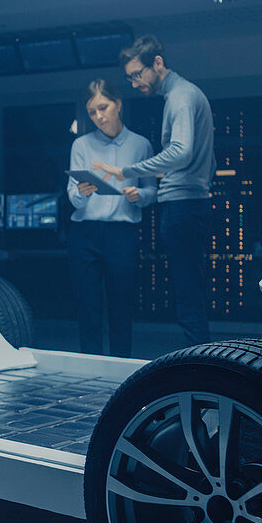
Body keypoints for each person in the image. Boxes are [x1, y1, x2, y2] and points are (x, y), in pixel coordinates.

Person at [92, 34, 216, 346]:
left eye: (137, 74)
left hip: (183, 207)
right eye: (129, 77)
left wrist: (126, 171)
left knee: (187, 294)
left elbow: (181, 152)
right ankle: (199, 365)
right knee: (190, 290)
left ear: (157, 63)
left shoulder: (180, 98)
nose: (134, 83)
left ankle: (198, 370)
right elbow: (208, 161)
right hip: (191, 204)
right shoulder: (185, 95)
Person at [67, 79, 156, 358]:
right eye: (92, 112)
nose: (99, 117)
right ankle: (91, 368)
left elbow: (152, 191)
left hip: (122, 234)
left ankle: (121, 370)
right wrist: (82, 192)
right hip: (85, 232)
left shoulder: (141, 145)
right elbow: (72, 196)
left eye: (103, 108)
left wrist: (138, 195)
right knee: (87, 307)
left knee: (121, 307)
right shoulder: (81, 145)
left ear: (118, 104)